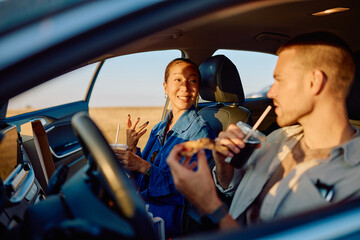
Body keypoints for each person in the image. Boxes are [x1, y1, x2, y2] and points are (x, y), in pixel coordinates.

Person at [167, 32, 360, 231]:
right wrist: (224, 164)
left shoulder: (354, 180)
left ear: (314, 82)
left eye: (279, 80)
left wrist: (209, 205)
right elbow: (231, 189)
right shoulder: (278, 138)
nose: (270, 92)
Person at [115, 58, 215, 237]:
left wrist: (142, 166)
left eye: (192, 81)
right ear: (165, 87)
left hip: (169, 222)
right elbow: (141, 179)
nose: (185, 87)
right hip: (145, 212)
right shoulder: (159, 128)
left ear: (198, 88)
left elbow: (191, 191)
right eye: (178, 79)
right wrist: (132, 148)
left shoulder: (200, 132)